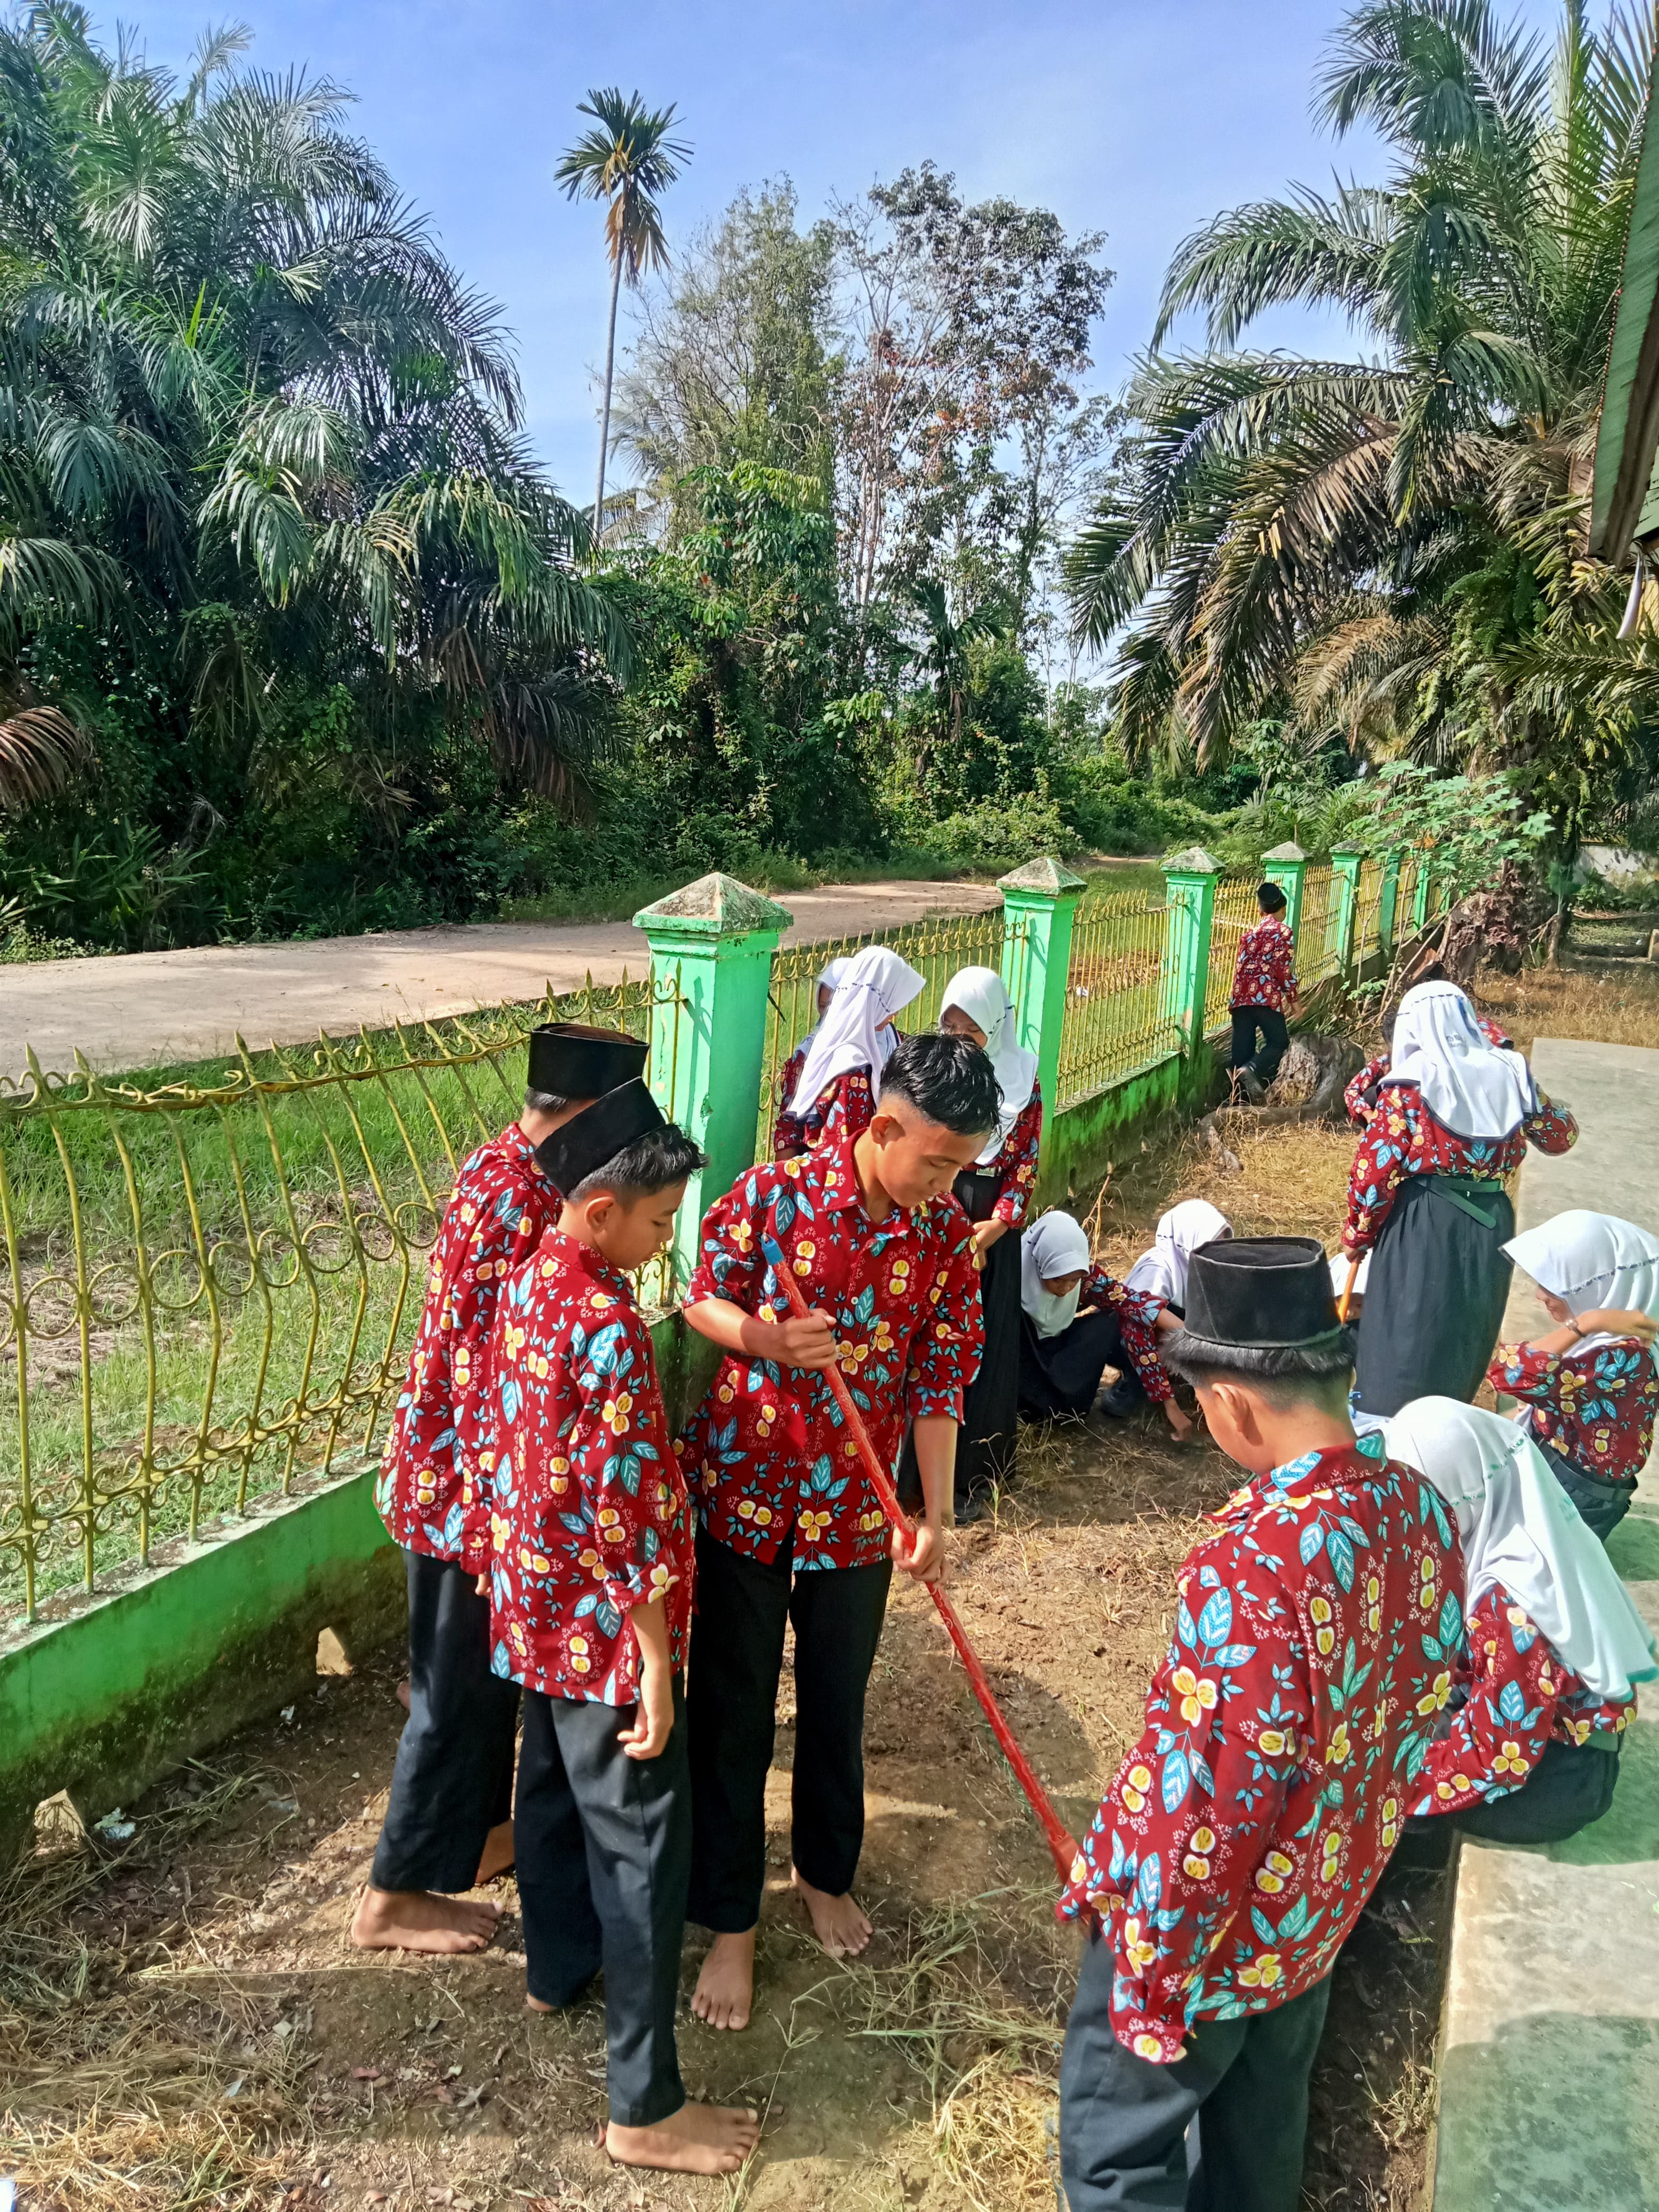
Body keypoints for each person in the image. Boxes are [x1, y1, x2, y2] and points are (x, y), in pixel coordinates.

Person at [1057, 1235, 1462, 2212]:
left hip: (1212, 1939)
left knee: (1118, 2158)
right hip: (1317, 1910)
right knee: (1261, 2130)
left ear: (1233, 1403)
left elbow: (1214, 1806)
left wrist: (1153, 1971)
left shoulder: (1252, 1563)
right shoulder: (1420, 1509)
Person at [678, 1032, 995, 2033]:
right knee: (732, 1713)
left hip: (860, 1516)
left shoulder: (941, 1239)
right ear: (884, 1128)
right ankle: (730, 1919)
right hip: (746, 1497)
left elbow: (940, 1380)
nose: (946, 1186)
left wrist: (934, 1515)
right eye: (937, 1163)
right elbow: (700, 1297)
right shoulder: (772, 1198)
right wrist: (767, 1339)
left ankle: (824, 1873)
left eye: (961, 1169)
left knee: (834, 1704)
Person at [481, 1078, 760, 2177]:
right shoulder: (604, 1325)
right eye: (656, 1222)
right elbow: (625, 1504)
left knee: (551, 1792)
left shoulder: (531, 1283)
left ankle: (557, 1968)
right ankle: (644, 2106)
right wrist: (651, 1659)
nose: (664, 1243)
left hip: (535, 1606)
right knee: (643, 1846)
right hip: (603, 1627)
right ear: (600, 1212)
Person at [351, 1021, 646, 1956]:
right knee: (451, 1700)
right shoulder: (520, 1203)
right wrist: (492, 1524)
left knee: (476, 1688)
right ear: (585, 1117)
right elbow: (488, 1376)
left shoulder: (504, 1168)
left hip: (455, 1479)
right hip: (464, 1494)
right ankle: (392, 1898)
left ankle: (472, 1845)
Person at [1382, 1398, 1656, 1844]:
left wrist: (1391, 1797)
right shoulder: (1527, 1524)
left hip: (1560, 1782)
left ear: (1458, 1492)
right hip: (1556, 1741)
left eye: (1418, 1503)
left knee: (1375, 1783)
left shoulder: (1511, 1604)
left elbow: (1500, 1758)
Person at [1344, 979, 1577, 1420]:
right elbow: (1560, 1136)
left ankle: (1393, 1428)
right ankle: (1450, 1424)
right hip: (1492, 1219)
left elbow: (1373, 1173)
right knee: (1466, 1329)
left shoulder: (1408, 1084)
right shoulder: (1512, 1072)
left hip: (1425, 1219)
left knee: (1408, 1327)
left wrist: (1358, 1233)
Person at [896, 966, 1042, 1520]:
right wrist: (953, 1226)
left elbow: (1026, 1162)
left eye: (971, 1029)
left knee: (984, 1341)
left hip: (991, 1226)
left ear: (996, 1026)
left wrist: (996, 1226)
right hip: (939, 1207)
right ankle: (913, 1478)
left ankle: (973, 1474)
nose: (959, 1039)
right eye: (949, 1026)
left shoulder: (1024, 1079)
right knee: (931, 1336)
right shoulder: (936, 1075)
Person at [1488, 1211, 1659, 1543]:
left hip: (1572, 1494)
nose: (1540, 1296)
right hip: (1567, 1476)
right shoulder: (1617, 1344)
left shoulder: (1620, 1355)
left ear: (1599, 1286)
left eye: (1553, 1287)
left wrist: (1586, 1323)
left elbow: (1508, 1373)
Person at [1016, 1211, 1194, 1442]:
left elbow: (1135, 1304)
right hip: (1018, 1364)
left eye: (1074, 1280)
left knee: (1112, 1319)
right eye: (1057, 1279)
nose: (1066, 1288)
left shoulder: (1088, 1280)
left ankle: (1066, 1410)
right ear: (1039, 1261)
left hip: (1057, 1359)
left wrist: (1193, 1342)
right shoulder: (1009, 1281)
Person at [770, 944, 923, 1160]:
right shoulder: (851, 1070)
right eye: (891, 1004)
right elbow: (844, 1153)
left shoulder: (896, 1045)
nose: (895, 1013)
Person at [1096, 1200, 1233, 1417]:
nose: (1218, 1255)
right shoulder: (1158, 1268)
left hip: (1176, 1337)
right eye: (1210, 1246)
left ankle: (1179, 1378)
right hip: (1132, 1343)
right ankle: (1133, 1385)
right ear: (1188, 1242)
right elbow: (1137, 1328)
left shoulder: (1204, 1268)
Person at [1229, 881, 1297, 1099]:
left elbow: (1239, 967)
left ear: (1260, 910)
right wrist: (1294, 1001)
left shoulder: (1248, 935)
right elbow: (1282, 971)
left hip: (1240, 998)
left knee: (1241, 1053)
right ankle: (1253, 1069)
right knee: (1279, 1042)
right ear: (1283, 909)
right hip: (1265, 997)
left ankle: (1237, 1101)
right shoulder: (1284, 933)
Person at [773, 957, 851, 1144]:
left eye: (835, 1006)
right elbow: (789, 1124)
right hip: (818, 1157)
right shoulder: (808, 1054)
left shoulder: (893, 1044)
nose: (828, 1016)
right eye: (823, 1007)